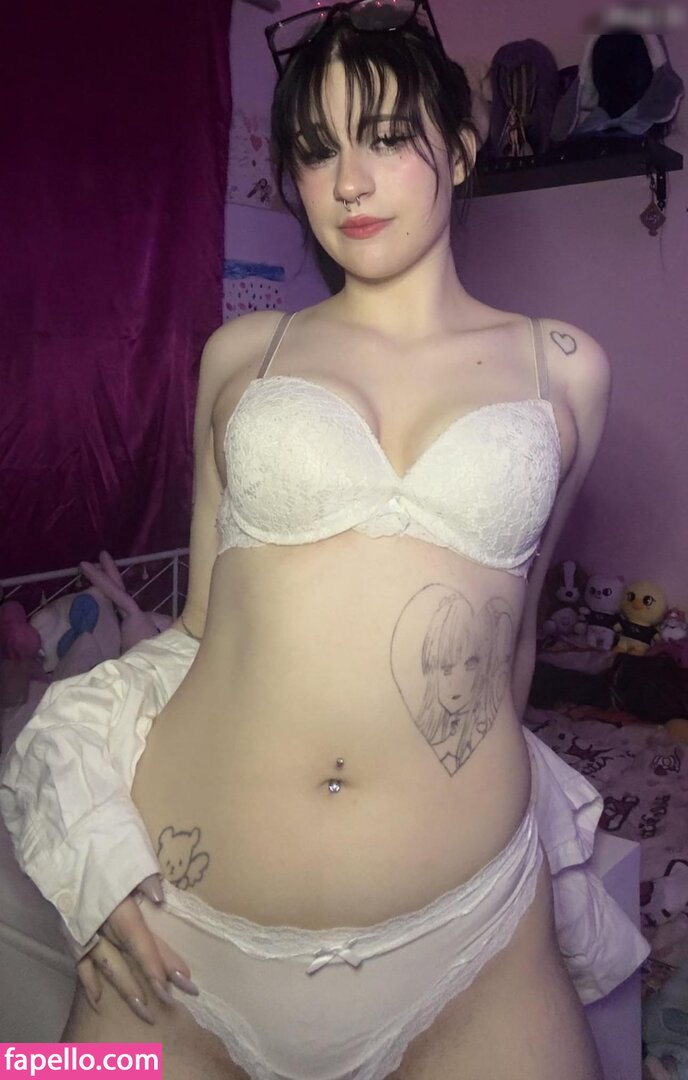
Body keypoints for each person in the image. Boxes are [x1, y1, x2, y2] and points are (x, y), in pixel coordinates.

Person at [0, 2, 648, 1077]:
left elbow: (515, 635)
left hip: (472, 941)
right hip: (180, 938)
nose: (349, 181)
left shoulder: (565, 365)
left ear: (460, 149)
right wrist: (85, 840)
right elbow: (200, 626)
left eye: (386, 136)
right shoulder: (242, 352)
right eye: (316, 148)